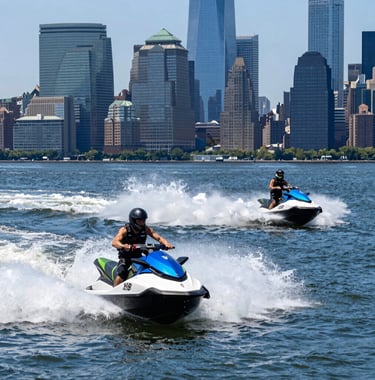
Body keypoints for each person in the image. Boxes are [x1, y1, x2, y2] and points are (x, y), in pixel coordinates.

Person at [112, 207, 174, 287]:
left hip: (139, 257)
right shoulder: (125, 230)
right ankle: (114, 291)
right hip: (126, 258)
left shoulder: (146, 229)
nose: (142, 222)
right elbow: (114, 242)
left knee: (153, 268)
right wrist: (123, 246)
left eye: (143, 220)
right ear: (133, 220)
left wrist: (166, 243)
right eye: (139, 220)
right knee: (122, 273)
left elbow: (158, 237)